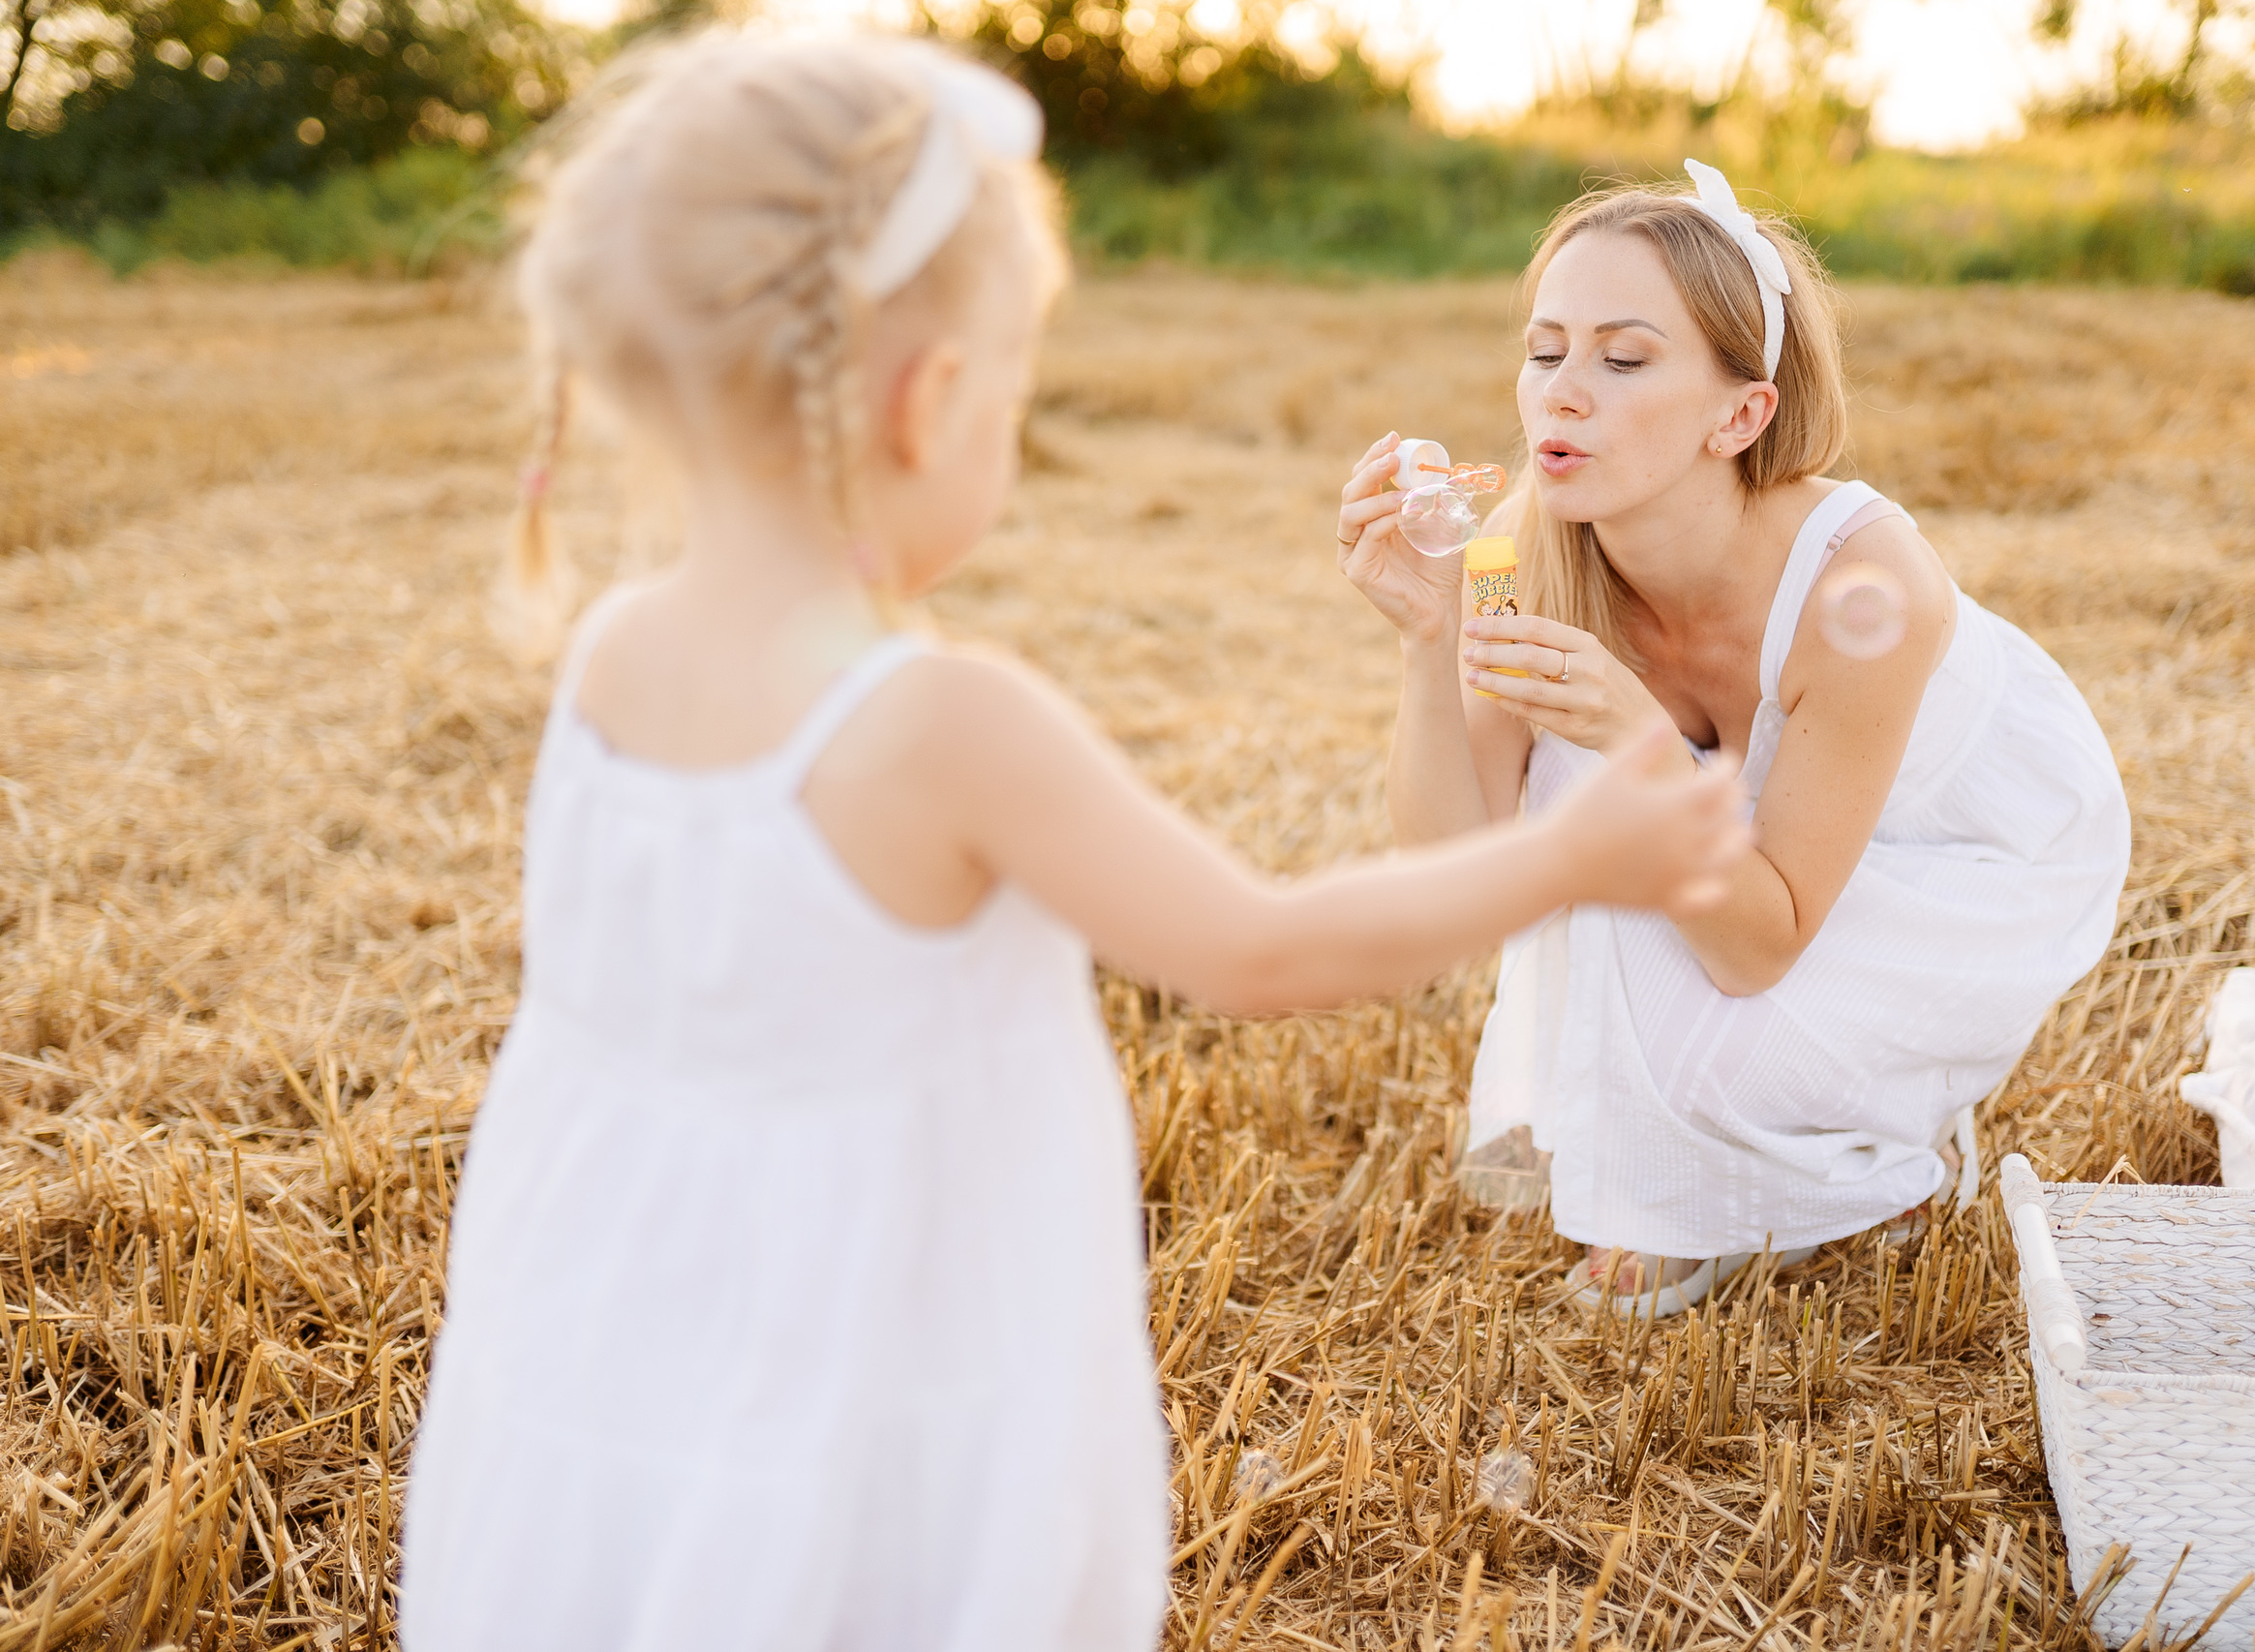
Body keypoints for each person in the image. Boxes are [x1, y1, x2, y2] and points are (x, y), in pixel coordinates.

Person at [396, 34, 1751, 1652]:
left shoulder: (616, 650)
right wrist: (1569, 856)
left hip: (617, 1306)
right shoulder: (946, 723)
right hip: (858, 1331)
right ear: (934, 398)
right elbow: (1260, 948)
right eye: (1018, 391)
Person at [1336, 164, 2130, 1320]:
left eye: (1622, 357)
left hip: (1944, 868)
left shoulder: (1864, 581)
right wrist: (1424, 636)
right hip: (1744, 867)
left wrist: (1636, 737)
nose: (1561, 392)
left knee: (1624, 818)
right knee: (1579, 790)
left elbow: (1757, 949)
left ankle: (1874, 1150)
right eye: (1544, 348)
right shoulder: (1534, 549)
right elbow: (1455, 876)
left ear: (1739, 413)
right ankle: (1711, 1184)